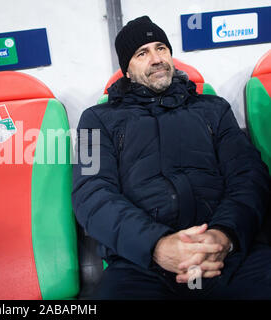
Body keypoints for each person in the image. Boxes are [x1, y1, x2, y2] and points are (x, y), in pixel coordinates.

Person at [72, 16, 271, 299]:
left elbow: (249, 176)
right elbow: (90, 194)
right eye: (143, 53)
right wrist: (156, 245)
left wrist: (223, 236)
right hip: (141, 265)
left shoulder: (214, 109)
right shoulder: (95, 120)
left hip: (228, 257)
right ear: (126, 71)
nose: (156, 59)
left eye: (161, 48)